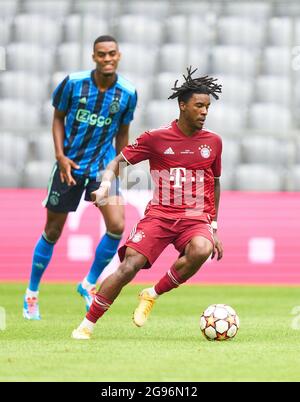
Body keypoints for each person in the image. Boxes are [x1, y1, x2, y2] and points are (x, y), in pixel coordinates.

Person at [72, 68, 224, 340]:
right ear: (182, 105)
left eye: (207, 107)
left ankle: (152, 294)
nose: (204, 112)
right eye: (199, 105)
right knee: (129, 266)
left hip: (194, 216)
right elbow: (118, 161)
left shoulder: (213, 142)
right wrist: (105, 186)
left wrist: (213, 225)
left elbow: (214, 182)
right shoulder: (156, 138)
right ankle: (87, 324)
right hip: (160, 214)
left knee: (202, 248)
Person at [23, 35, 138, 320]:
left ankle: (88, 284)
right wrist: (60, 156)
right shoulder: (73, 84)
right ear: (94, 57)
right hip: (69, 167)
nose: (107, 58)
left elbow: (122, 133)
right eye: (102, 54)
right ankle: (32, 294)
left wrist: (118, 169)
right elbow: (58, 118)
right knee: (53, 231)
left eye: (112, 53)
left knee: (117, 225)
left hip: (102, 169)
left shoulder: (127, 93)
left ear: (119, 55)